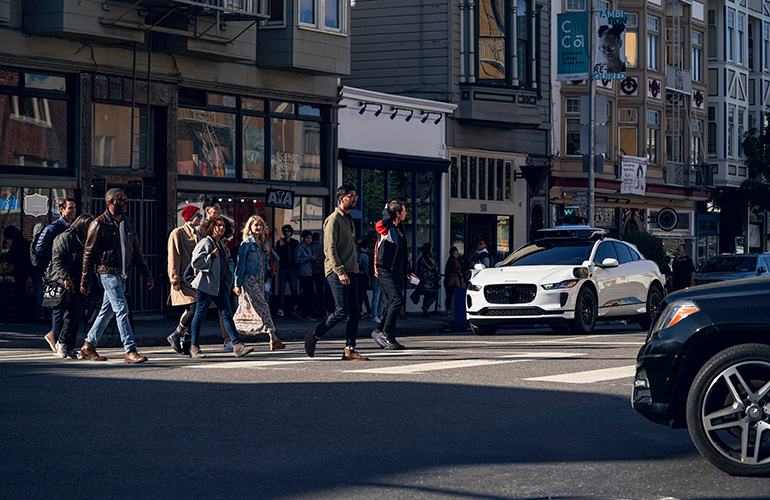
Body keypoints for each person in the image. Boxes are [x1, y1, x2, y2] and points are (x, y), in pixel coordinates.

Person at [79, 188, 154, 364]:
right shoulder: (98, 224)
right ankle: (130, 350)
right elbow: (88, 254)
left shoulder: (127, 223)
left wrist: (147, 274)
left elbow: (136, 251)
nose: (125, 202)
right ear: (111, 202)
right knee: (121, 309)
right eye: (122, 199)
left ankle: (88, 344)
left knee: (107, 311)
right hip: (107, 272)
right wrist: (85, 280)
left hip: (122, 273)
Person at [304, 185, 368, 360]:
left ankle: (349, 349)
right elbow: (329, 249)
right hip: (336, 272)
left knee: (355, 312)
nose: (355, 199)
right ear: (341, 198)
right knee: (341, 310)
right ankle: (314, 335)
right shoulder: (333, 219)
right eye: (351, 196)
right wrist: (340, 272)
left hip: (352, 270)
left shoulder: (349, 218)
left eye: (355, 195)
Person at [189, 215, 254, 358]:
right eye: (218, 225)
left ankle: (237, 345)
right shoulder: (206, 242)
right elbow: (196, 262)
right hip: (206, 285)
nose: (221, 228)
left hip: (219, 286)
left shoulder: (222, 245)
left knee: (227, 313)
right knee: (200, 314)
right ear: (211, 227)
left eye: (223, 226)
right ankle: (194, 347)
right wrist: (211, 256)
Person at [233, 215, 285, 349]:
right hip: (248, 279)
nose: (258, 227)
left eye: (260, 225)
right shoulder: (246, 244)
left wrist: (269, 251)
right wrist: (237, 284)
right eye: (255, 225)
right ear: (250, 227)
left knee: (259, 309)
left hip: (260, 278)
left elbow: (277, 258)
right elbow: (240, 265)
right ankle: (274, 338)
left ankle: (272, 339)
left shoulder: (263, 243)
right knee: (264, 306)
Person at [371, 201, 417, 350]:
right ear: (396, 213)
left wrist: (407, 271)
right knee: (396, 300)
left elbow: (404, 251)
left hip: (397, 271)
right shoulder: (384, 227)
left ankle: (379, 331)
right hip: (385, 270)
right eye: (404, 211)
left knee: (391, 304)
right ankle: (386, 335)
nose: (406, 213)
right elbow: (384, 221)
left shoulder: (400, 228)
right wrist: (386, 211)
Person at [49, 214, 94, 359]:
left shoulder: (84, 240)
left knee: (77, 313)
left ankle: (70, 346)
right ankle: (61, 343)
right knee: (70, 313)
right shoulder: (66, 237)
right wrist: (65, 277)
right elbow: (57, 259)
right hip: (66, 280)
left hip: (79, 280)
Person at [39, 197, 78, 349]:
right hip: (55, 273)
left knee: (67, 308)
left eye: (74, 208)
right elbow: (39, 249)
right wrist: (58, 254)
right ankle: (55, 339)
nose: (73, 210)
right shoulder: (53, 228)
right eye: (70, 208)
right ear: (61, 210)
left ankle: (57, 337)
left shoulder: (72, 227)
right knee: (58, 307)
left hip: (69, 272)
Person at [166, 204, 202, 356]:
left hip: (197, 279)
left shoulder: (199, 234)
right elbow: (174, 255)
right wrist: (174, 278)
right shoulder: (178, 233)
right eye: (197, 215)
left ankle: (186, 342)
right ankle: (176, 333)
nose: (200, 218)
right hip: (183, 278)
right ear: (189, 217)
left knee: (193, 310)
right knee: (194, 308)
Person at [275, 223, 300, 318]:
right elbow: (276, 255)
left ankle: (295, 307)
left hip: (292, 268)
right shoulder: (280, 242)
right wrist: (280, 246)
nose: (286, 233)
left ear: (291, 232)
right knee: (281, 290)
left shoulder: (295, 242)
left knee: (294, 289)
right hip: (283, 268)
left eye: (288, 231)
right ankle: (281, 308)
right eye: (285, 231)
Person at [411, 242, 440, 317]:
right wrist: (438, 279)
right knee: (434, 294)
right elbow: (435, 270)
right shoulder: (432, 259)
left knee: (426, 295)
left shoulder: (421, 259)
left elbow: (418, 269)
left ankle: (425, 312)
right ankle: (426, 306)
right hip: (431, 282)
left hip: (422, 282)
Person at [294, 229, 316, 321]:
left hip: (309, 273)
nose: (309, 240)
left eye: (310, 238)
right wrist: (309, 258)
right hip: (303, 273)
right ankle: (304, 313)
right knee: (307, 294)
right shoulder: (299, 248)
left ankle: (301, 310)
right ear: (303, 238)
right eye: (307, 238)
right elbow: (297, 260)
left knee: (310, 294)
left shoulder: (309, 248)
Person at [309, 231, 326, 317]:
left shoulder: (310, 247)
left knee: (311, 291)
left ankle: (312, 310)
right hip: (320, 271)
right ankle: (322, 310)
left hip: (311, 271)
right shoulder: (322, 247)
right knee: (320, 291)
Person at [444, 246, 463, 316]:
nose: (456, 255)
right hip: (452, 281)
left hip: (448, 280)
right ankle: (450, 310)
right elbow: (456, 270)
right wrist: (461, 277)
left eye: (457, 253)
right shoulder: (454, 261)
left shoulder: (450, 260)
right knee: (451, 296)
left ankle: (448, 310)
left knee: (449, 296)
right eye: (455, 253)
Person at [357, 239, 372, 318]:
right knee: (362, 295)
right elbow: (366, 269)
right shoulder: (364, 255)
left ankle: (369, 311)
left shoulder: (358, 253)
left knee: (363, 295)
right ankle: (360, 311)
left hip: (358, 276)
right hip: (363, 277)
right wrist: (368, 279)